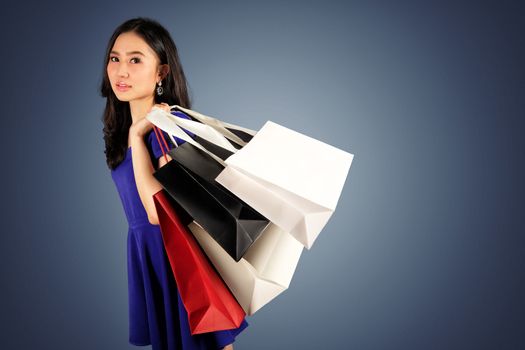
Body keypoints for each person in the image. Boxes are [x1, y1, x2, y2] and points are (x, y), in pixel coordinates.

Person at [99, 17, 248, 350]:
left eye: (135, 60)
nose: (121, 71)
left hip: (177, 258)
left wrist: (139, 141)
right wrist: (134, 136)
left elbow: (157, 212)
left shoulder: (168, 127)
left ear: (161, 72)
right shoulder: (124, 131)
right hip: (149, 255)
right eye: (115, 58)